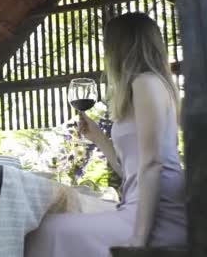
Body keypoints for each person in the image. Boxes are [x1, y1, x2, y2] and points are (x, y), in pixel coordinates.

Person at [25, 13, 187, 256]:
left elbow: (154, 164)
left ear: (122, 47)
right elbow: (130, 172)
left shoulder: (146, 82)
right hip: (137, 209)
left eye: (108, 46)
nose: (106, 54)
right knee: (48, 228)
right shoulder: (150, 86)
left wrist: (139, 239)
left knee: (45, 230)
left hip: (157, 217)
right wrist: (98, 138)